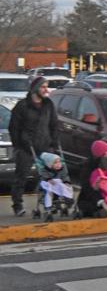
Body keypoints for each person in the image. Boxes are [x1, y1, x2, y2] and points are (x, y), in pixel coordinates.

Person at [8, 76, 58, 216]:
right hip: (26, 147)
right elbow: (14, 127)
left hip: (45, 146)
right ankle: (17, 204)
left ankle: (49, 203)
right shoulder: (22, 106)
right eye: (43, 87)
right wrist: (18, 144)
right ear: (35, 88)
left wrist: (54, 142)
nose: (46, 90)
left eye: (46, 86)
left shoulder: (48, 104)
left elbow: (54, 125)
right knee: (21, 177)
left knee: (50, 176)